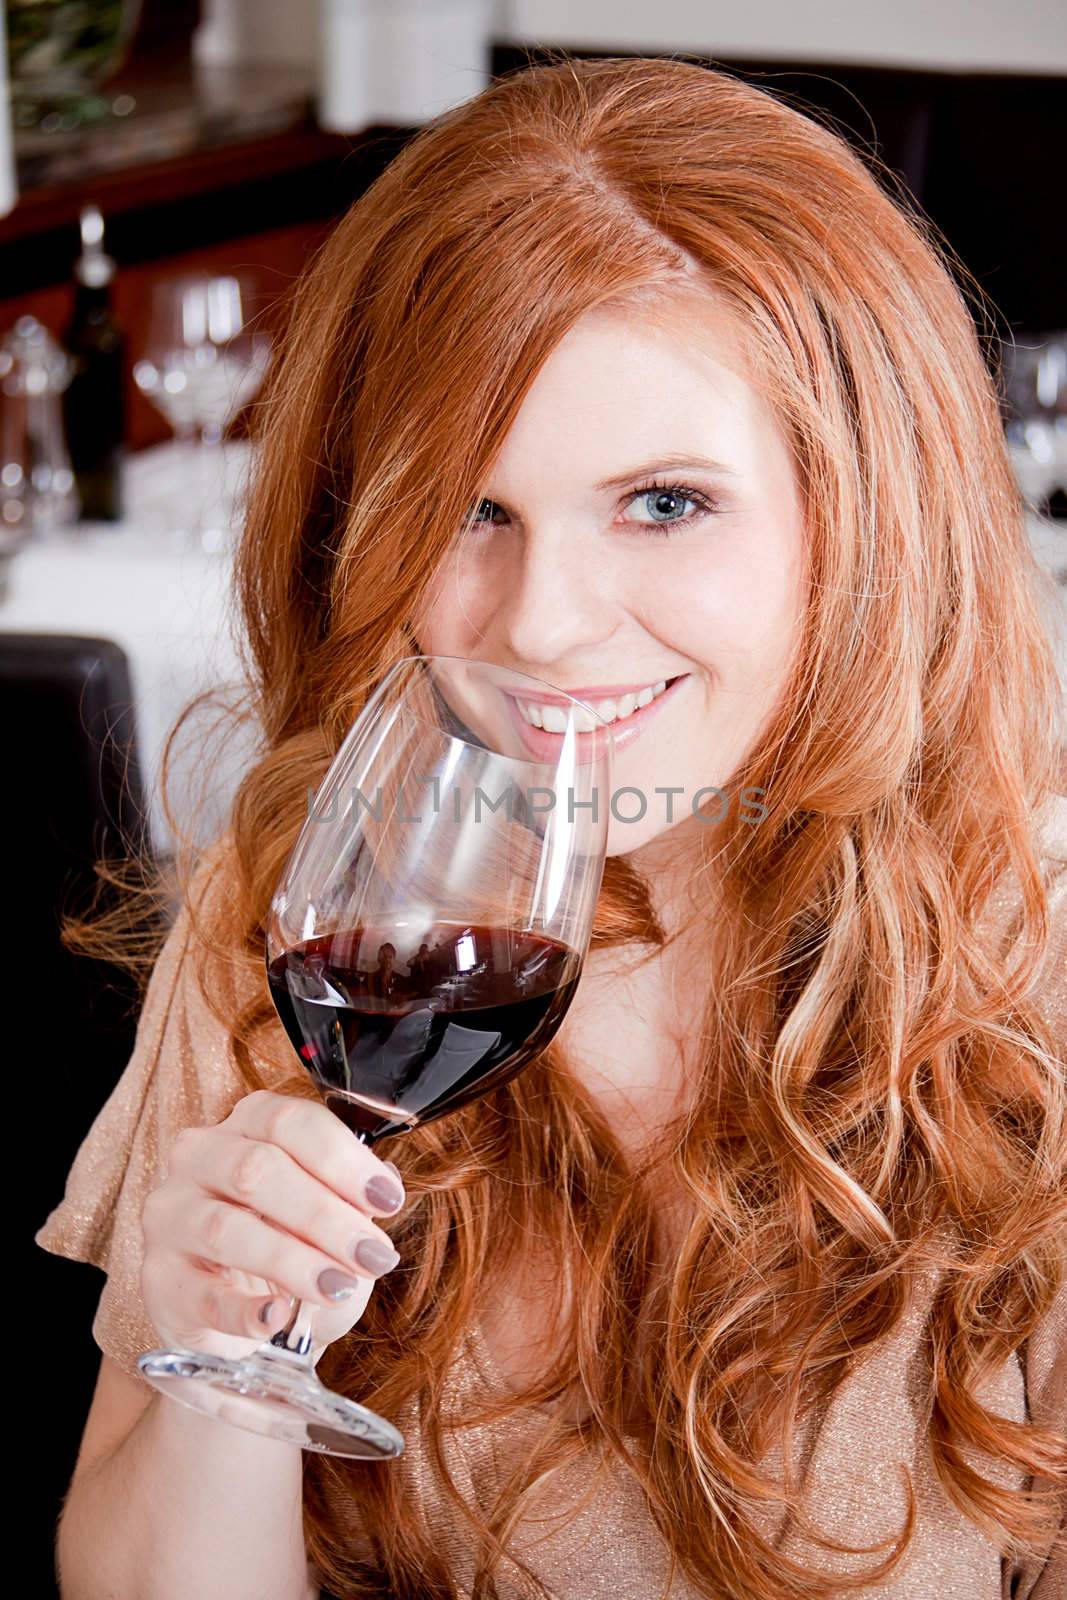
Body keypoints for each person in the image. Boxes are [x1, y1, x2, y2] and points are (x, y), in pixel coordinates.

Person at [36, 55, 1065, 1600]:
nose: (545, 627)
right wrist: (221, 1364)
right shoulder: (309, 912)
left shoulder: (1033, 967)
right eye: (468, 506)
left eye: (664, 501)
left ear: (857, 518)